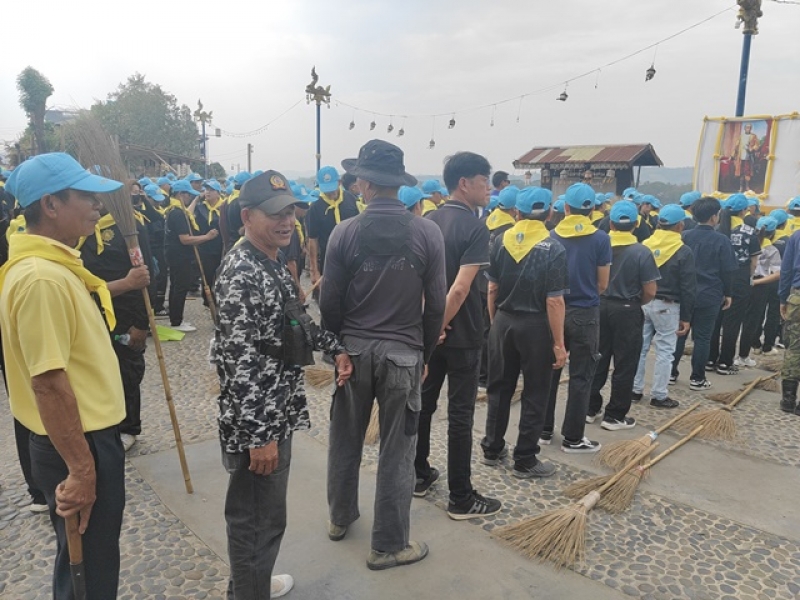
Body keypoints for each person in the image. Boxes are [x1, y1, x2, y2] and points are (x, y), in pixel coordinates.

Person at [212, 170, 353, 597]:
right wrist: (260, 438)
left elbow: (296, 321)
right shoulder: (241, 270)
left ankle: (251, 584)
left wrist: (335, 348)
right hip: (259, 420)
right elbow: (240, 363)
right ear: (247, 216)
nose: (287, 221)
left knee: (264, 515)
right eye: (275, 214)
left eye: (290, 211)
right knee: (256, 519)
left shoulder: (268, 260)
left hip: (277, 407)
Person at [0, 152, 129, 598]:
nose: (98, 205)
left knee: (90, 564)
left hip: (83, 437)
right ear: (50, 204)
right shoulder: (43, 279)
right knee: (88, 573)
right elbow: (49, 383)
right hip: (78, 441)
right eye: (86, 196)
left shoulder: (54, 267)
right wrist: (81, 469)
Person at [320, 139, 446, 569]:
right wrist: (423, 351)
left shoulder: (344, 232)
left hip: (353, 353)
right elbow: (437, 303)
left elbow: (330, 302)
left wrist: (338, 349)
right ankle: (388, 545)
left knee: (344, 439)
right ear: (397, 184)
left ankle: (339, 518)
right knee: (397, 451)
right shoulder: (427, 233)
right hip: (403, 356)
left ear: (366, 185)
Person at [414, 151, 502, 519]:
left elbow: (417, 282)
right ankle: (461, 497)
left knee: (423, 406)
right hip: (462, 335)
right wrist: (439, 325)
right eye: (484, 183)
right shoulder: (475, 228)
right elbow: (461, 289)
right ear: (464, 184)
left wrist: (427, 329)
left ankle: (418, 475)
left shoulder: (428, 221)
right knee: (460, 416)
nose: (488, 190)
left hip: (430, 338)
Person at [480, 186, 567, 477]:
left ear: (516, 212)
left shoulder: (500, 241)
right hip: (536, 327)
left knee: (499, 388)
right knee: (535, 391)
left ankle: (492, 448)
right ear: (550, 213)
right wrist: (559, 343)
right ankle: (525, 459)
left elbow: (492, 287)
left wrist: (496, 322)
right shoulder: (553, 248)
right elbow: (554, 301)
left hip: (504, 321)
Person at [78, 184, 153, 453]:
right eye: (89, 195)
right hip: (90, 314)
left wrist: (142, 324)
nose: (95, 202)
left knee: (127, 372)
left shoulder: (129, 228)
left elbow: (147, 277)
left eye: (98, 195)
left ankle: (129, 427)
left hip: (125, 314)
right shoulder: (79, 229)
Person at [544, 182, 612, 453]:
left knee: (550, 371)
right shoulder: (600, 238)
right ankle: (573, 438)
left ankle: (543, 430)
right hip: (585, 312)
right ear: (592, 209)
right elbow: (603, 283)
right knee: (581, 376)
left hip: (553, 311)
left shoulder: (551, 236)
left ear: (566, 208)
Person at [588, 200, 659, 428]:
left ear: (610, 223)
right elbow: (650, 290)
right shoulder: (642, 252)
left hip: (599, 306)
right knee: (625, 363)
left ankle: (589, 408)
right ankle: (615, 415)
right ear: (636, 224)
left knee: (597, 358)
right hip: (627, 310)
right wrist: (636, 303)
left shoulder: (598, 246)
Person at [632, 204, 696, 408]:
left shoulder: (645, 245)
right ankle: (659, 395)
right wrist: (686, 317)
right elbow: (688, 286)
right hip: (668, 306)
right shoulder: (683, 251)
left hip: (644, 302)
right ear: (680, 226)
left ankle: (635, 390)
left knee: (639, 348)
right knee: (665, 351)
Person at [672, 197, 737, 390]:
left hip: (684, 293)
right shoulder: (722, 240)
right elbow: (728, 271)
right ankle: (697, 378)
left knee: (679, 334)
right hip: (710, 294)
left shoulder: (684, 236)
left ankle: (670, 373)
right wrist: (728, 293)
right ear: (714, 217)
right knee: (702, 338)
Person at [709, 193, 761, 374]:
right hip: (739, 278)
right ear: (744, 211)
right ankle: (725, 362)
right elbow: (753, 262)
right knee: (732, 321)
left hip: (717, 277)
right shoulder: (749, 232)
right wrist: (750, 278)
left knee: (715, 319)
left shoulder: (716, 230)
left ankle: (710, 359)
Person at [165, 179, 218, 332]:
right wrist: (207, 237)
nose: (189, 198)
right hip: (180, 255)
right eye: (188, 195)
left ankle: (175, 319)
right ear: (181, 194)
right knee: (180, 287)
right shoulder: (178, 214)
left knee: (176, 286)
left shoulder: (173, 209)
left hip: (174, 254)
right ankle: (176, 321)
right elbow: (185, 239)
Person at [307, 166, 360, 293]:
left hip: (352, 259)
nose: (330, 193)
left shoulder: (351, 200)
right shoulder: (315, 208)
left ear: (339, 182)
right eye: (327, 190)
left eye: (332, 188)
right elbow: (313, 240)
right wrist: (314, 270)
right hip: (328, 261)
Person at [738, 217, 782, 365]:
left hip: (742, 283)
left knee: (740, 319)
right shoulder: (771, 250)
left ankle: (734, 354)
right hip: (760, 286)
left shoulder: (747, 243)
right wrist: (756, 282)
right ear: (773, 232)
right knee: (753, 321)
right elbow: (777, 274)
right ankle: (744, 355)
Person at [195, 180, 225, 302]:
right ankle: (208, 301)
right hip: (205, 248)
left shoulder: (224, 207)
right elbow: (186, 216)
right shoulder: (200, 207)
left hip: (221, 248)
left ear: (218, 193)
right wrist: (196, 199)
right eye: (206, 189)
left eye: (211, 190)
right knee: (207, 275)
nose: (208, 192)